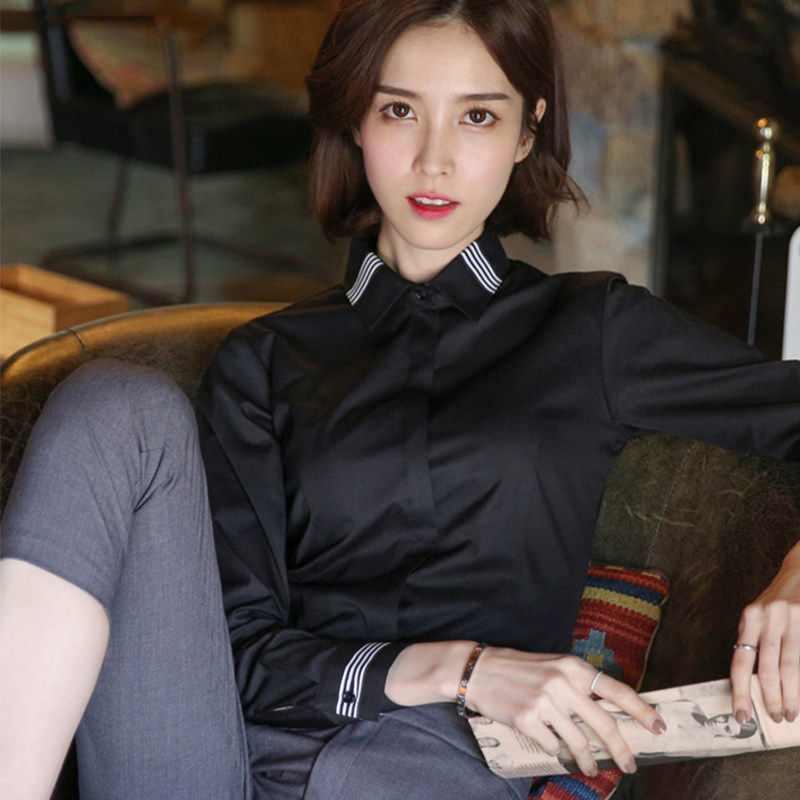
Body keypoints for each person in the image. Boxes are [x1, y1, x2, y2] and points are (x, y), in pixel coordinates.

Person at [1, 1, 799, 799]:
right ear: (356, 119)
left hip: (427, 770)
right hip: (212, 760)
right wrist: (458, 668)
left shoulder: (593, 330)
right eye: (399, 111)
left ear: (527, 132)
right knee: (114, 403)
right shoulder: (266, 361)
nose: (433, 161)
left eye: (478, 116)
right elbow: (238, 650)